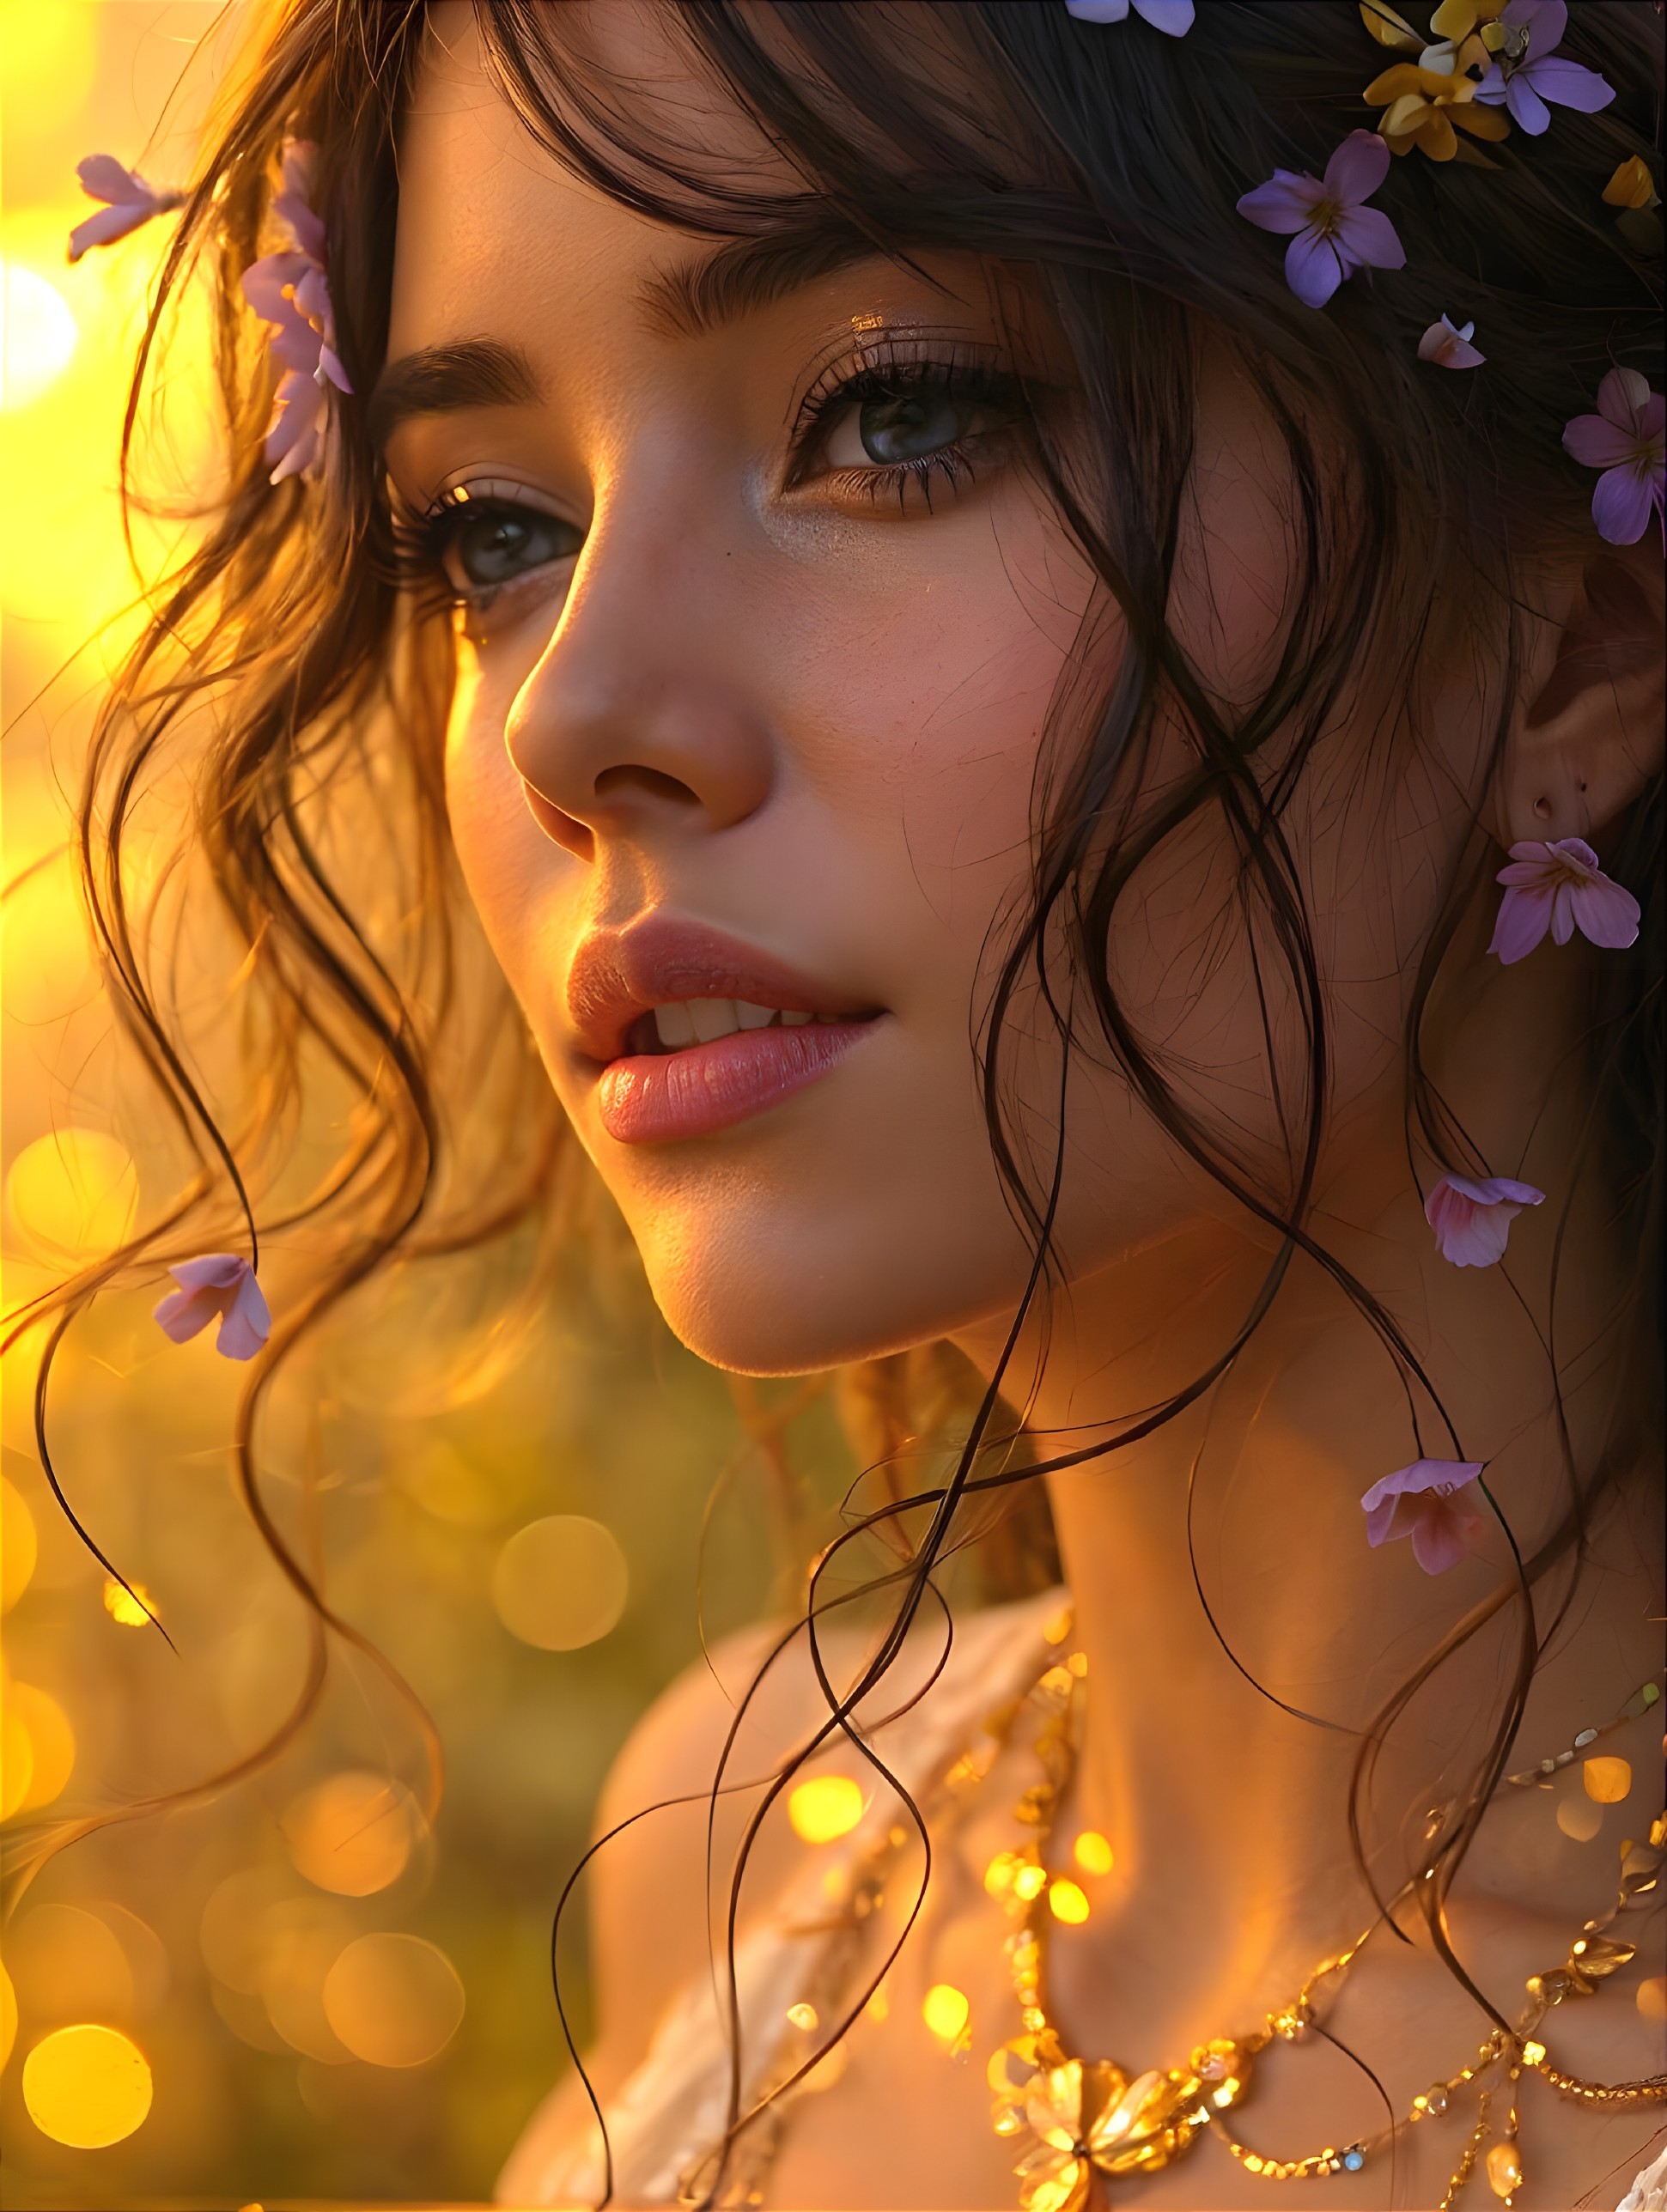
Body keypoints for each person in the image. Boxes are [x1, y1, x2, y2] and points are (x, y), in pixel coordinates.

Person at [48, 2, 1664, 2205]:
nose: (572, 715)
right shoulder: (734, 1860)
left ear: (1572, 628)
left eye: (888, 412)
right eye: (488, 533)